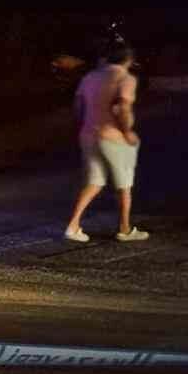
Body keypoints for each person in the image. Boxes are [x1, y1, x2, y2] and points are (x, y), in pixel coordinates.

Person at [64, 40, 147, 243]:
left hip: (88, 135)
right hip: (113, 137)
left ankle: (73, 226)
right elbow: (122, 108)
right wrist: (127, 132)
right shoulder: (125, 78)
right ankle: (125, 229)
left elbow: (78, 106)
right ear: (128, 59)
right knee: (124, 184)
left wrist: (83, 126)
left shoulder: (90, 77)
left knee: (94, 181)